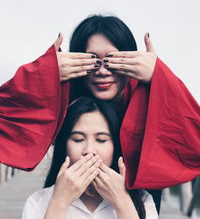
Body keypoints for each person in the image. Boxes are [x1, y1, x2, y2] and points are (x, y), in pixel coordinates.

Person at [0, 14, 199, 197]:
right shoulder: (65, 97)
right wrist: (43, 74)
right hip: (67, 201)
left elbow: (192, 138)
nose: (103, 71)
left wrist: (159, 76)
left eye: (113, 60)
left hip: (137, 202)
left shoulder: (146, 94)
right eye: (93, 60)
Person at [21, 96, 162, 219]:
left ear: (116, 148)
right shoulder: (38, 202)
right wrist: (59, 202)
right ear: (64, 147)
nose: (89, 150)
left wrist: (123, 202)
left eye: (101, 140)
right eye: (78, 139)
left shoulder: (143, 200)